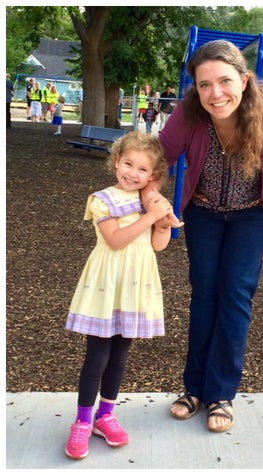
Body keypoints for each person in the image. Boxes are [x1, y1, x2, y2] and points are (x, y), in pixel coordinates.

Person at [157, 40, 263, 433]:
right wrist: (152, 203)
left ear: (244, 78)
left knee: (235, 294)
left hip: (252, 216)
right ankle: (195, 388)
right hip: (202, 212)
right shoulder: (189, 115)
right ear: (195, 88)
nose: (215, 93)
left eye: (224, 81)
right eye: (204, 85)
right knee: (204, 292)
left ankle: (221, 393)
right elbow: (158, 161)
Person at [63, 132, 176, 460]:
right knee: (97, 357)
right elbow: (115, 240)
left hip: (135, 288)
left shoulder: (150, 200)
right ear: (116, 162)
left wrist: (163, 224)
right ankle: (83, 421)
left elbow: (157, 246)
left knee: (119, 357)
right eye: (128, 164)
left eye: (143, 169)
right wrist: (150, 217)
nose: (133, 173)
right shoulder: (103, 199)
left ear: (152, 175)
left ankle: (105, 416)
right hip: (107, 286)